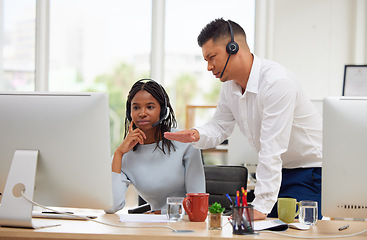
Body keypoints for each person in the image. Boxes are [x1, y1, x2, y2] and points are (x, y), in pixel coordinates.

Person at [164, 18, 322, 220]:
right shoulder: (230, 86)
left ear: (233, 47)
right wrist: (197, 134)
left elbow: (271, 148)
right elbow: (220, 126)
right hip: (280, 171)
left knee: (290, 228)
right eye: (205, 60)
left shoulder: (277, 83)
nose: (209, 67)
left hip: (308, 171)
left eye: (212, 57)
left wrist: (261, 206)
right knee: (246, 225)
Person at [105, 79, 205, 214]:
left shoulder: (185, 143)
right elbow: (111, 207)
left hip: (185, 227)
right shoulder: (125, 154)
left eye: (150, 107)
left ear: (163, 110)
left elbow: (197, 204)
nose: (142, 113)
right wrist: (118, 154)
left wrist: (157, 213)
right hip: (152, 228)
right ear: (129, 112)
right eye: (136, 107)